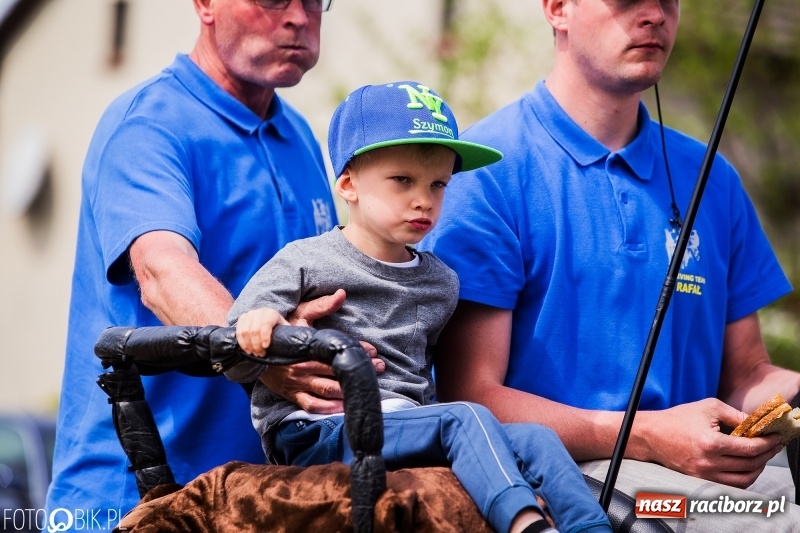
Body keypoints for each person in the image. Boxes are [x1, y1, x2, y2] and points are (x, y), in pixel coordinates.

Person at [417, 0, 800, 530]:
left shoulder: (712, 176)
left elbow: (749, 375)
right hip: (568, 478)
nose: (653, 15)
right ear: (557, 9)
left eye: (668, 0)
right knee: (770, 522)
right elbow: (471, 398)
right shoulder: (485, 171)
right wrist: (645, 434)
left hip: (704, 479)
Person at [225, 81, 613, 533]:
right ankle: (527, 524)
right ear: (348, 184)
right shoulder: (304, 260)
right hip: (320, 430)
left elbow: (419, 375)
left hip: (410, 425)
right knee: (464, 417)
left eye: (438, 184)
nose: (423, 199)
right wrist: (262, 324)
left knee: (537, 438)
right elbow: (235, 347)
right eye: (403, 180)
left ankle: (591, 527)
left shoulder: (441, 282)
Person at [46, 0, 345, 518]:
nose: (299, 16)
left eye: (314, 0)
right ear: (204, 4)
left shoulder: (297, 135)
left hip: (258, 498)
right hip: (135, 500)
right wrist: (264, 355)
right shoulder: (149, 124)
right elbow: (162, 272)